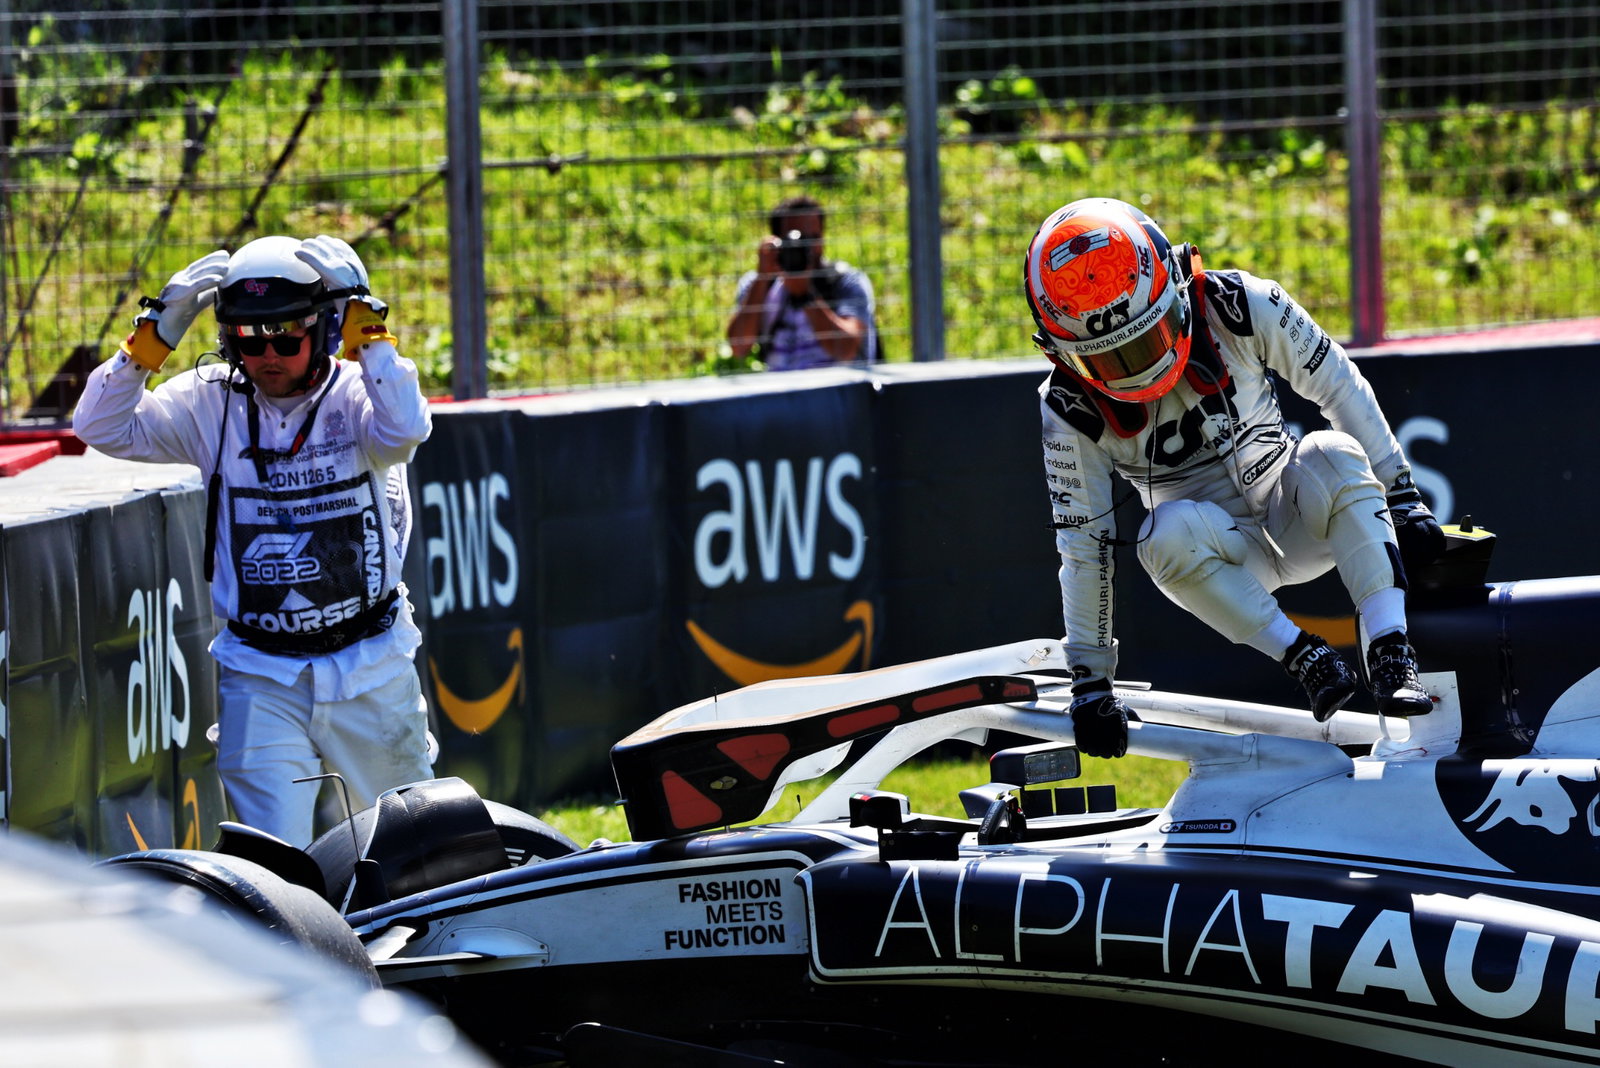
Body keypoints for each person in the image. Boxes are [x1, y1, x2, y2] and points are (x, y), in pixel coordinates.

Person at [1023, 197, 1445, 759]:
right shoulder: (1067, 410)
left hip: (1296, 514)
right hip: (1222, 559)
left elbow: (1339, 386)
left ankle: (1392, 652)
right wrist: (1091, 683)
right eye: (1113, 359)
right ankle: (1304, 657)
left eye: (1145, 341)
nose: (1139, 369)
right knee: (1157, 536)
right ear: (1061, 355)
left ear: (1175, 286)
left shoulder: (1243, 302)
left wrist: (1401, 493)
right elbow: (1084, 546)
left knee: (1333, 451)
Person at [73, 235, 435, 845]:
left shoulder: (357, 393)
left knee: (415, 848)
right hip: (260, 671)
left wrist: (366, 325)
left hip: (371, 665)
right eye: (249, 338)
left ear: (323, 330)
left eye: (287, 336)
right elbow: (98, 426)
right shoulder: (208, 403)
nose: (268, 354)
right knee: (272, 865)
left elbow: (405, 429)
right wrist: (153, 336)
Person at [727, 195, 878, 369]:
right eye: (797, 240)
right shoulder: (760, 284)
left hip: (838, 393)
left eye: (813, 237)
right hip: (783, 393)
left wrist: (805, 296)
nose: (807, 248)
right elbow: (738, 347)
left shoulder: (845, 281)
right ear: (778, 241)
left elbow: (846, 349)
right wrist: (762, 278)